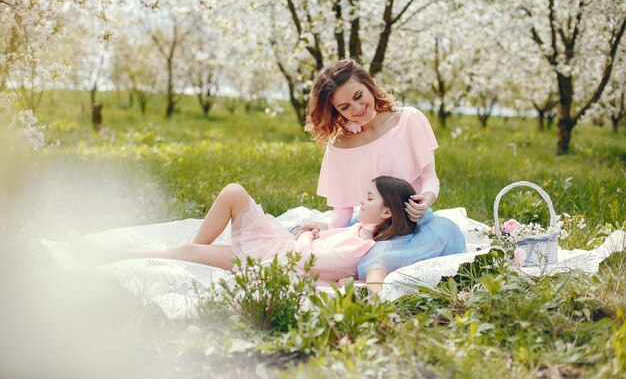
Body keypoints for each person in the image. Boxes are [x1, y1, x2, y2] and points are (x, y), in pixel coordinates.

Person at [301, 59, 465, 292]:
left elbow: (430, 178)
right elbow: (344, 211)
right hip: (372, 230)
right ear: (335, 111)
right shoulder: (340, 145)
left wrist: (426, 200)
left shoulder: (409, 120)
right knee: (373, 250)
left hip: (414, 222)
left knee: (448, 232)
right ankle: (374, 286)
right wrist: (325, 225)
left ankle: (367, 278)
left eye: (359, 96)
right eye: (344, 107)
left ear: (369, 85)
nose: (357, 109)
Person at [74, 176, 418, 285]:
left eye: (369, 197)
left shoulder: (362, 247)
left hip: (275, 262)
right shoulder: (359, 232)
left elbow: (303, 256)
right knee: (234, 193)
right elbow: (318, 244)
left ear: (386, 211)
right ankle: (194, 250)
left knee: (191, 250)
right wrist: (319, 229)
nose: (361, 199)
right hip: (276, 248)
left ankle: (109, 255)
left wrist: (307, 235)